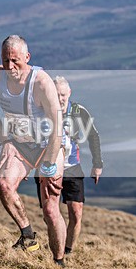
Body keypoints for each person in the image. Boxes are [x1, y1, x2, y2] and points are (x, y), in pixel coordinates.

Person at [0, 35, 67, 267]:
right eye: (5, 60)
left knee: (50, 209)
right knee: (4, 185)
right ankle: (28, 236)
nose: (10, 66)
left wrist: (49, 164)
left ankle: (59, 261)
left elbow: (58, 126)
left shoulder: (41, 82)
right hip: (19, 144)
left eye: (15, 61)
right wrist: (5, 141)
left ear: (27, 57)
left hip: (48, 146)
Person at [34, 76, 104, 255]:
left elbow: (93, 136)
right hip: (47, 169)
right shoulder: (40, 112)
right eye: (56, 94)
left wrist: (97, 164)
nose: (60, 98)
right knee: (50, 214)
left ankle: (67, 251)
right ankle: (57, 248)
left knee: (76, 213)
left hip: (72, 167)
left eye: (63, 95)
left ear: (69, 93)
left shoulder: (78, 111)